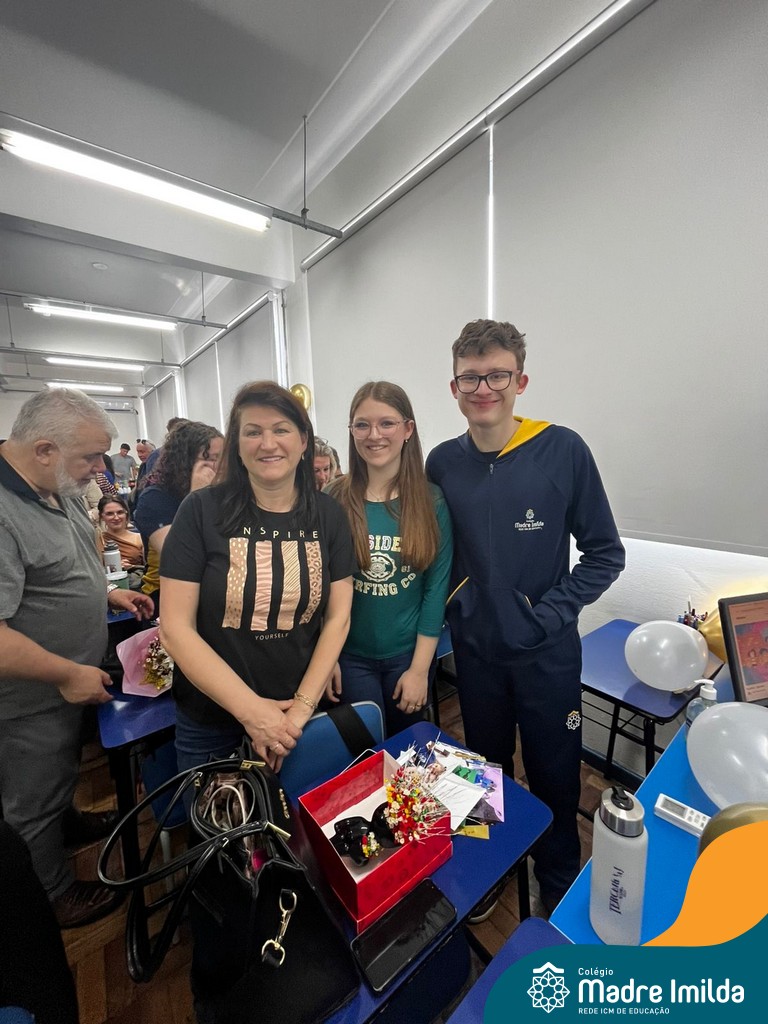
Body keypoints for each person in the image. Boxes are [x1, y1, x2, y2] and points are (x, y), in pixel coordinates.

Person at [426, 319, 625, 917]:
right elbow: (436, 552)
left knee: (555, 774)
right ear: (454, 387)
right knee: (483, 772)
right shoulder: (441, 463)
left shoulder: (562, 450)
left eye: (497, 375)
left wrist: (547, 615)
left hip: (547, 654)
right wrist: (456, 605)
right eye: (470, 378)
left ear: (521, 381)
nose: (484, 388)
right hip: (476, 654)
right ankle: (489, 871)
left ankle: (557, 878)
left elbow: (605, 553)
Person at [0, 389, 154, 928]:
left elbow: (59, 572)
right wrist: (66, 673)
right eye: (90, 457)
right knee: (30, 796)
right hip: (30, 695)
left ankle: (63, 822)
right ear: (44, 449)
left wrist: (107, 593)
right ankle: (51, 894)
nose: (100, 469)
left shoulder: (53, 486)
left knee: (57, 770)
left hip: (65, 682)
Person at [159, 381, 355, 773]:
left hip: (299, 715)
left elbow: (338, 617)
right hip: (212, 721)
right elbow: (175, 629)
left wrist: (298, 712)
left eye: (281, 429)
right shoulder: (200, 511)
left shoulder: (328, 514)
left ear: (303, 442)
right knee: (219, 816)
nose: (268, 443)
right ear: (236, 444)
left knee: (299, 814)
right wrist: (255, 714)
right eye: (253, 432)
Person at [328, 381, 453, 736]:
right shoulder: (333, 498)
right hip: (349, 657)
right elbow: (320, 588)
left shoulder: (432, 502)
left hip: (408, 657)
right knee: (363, 752)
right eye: (362, 425)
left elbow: (435, 591)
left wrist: (419, 670)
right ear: (351, 431)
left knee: (405, 748)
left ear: (408, 429)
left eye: (387, 423)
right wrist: (327, 659)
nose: (374, 435)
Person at [133, 422, 223, 615]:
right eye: (209, 459)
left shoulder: (223, 494)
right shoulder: (154, 499)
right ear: (184, 461)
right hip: (167, 596)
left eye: (222, 458)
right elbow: (181, 557)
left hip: (216, 595)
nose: (219, 466)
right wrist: (199, 496)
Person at [95, 494, 145, 570]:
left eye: (120, 512)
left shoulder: (140, 538)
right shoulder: (98, 541)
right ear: (101, 516)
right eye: (110, 514)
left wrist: (132, 567)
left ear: (126, 513)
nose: (116, 517)